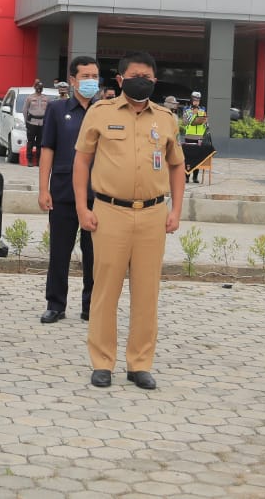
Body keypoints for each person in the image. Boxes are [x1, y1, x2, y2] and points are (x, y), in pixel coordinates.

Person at [73, 51, 184, 390]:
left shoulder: (166, 118)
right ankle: (102, 362)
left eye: (148, 77)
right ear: (120, 80)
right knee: (105, 291)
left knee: (147, 293)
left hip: (152, 214)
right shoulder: (100, 112)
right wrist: (82, 208)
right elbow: (82, 162)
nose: (142, 81)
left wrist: (176, 210)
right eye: (135, 75)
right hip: (110, 213)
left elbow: (176, 165)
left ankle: (140, 364)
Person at [37, 55, 99, 324]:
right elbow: (47, 149)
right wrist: (43, 188)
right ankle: (55, 304)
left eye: (94, 76)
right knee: (59, 252)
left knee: (95, 254)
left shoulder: (105, 110)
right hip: (62, 192)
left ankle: (91, 306)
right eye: (85, 77)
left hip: (97, 193)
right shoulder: (56, 109)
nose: (90, 81)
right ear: (72, 80)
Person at [181, 108, 215, 183]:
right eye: (195, 100)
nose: (196, 102)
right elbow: (184, 123)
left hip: (199, 137)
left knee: (197, 157)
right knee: (188, 156)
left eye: (198, 100)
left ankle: (195, 177)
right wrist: (192, 115)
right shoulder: (187, 111)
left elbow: (206, 125)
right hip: (189, 137)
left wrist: (205, 121)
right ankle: (187, 176)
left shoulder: (202, 112)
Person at [22, 80, 49, 165]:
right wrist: (26, 121)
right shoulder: (30, 98)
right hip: (32, 122)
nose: (39, 89)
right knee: (30, 141)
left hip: (42, 123)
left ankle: (38, 161)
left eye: (40, 88)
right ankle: (29, 160)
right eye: (38, 87)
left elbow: (49, 111)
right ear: (34, 87)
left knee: (40, 142)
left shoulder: (46, 98)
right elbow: (25, 110)